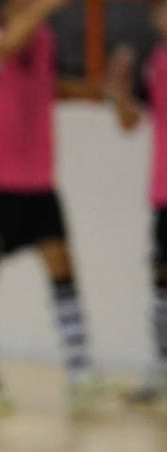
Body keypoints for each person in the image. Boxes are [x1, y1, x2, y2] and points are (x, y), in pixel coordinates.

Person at [0, 0, 106, 414]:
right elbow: (2, 50)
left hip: (35, 176)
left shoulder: (45, 39)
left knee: (60, 261)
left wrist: (96, 90)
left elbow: (44, 88)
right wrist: (44, 7)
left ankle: (79, 372)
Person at [106, 1, 167, 404]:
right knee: (162, 281)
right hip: (164, 191)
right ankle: (161, 369)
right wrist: (119, 87)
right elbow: (130, 122)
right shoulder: (157, 61)